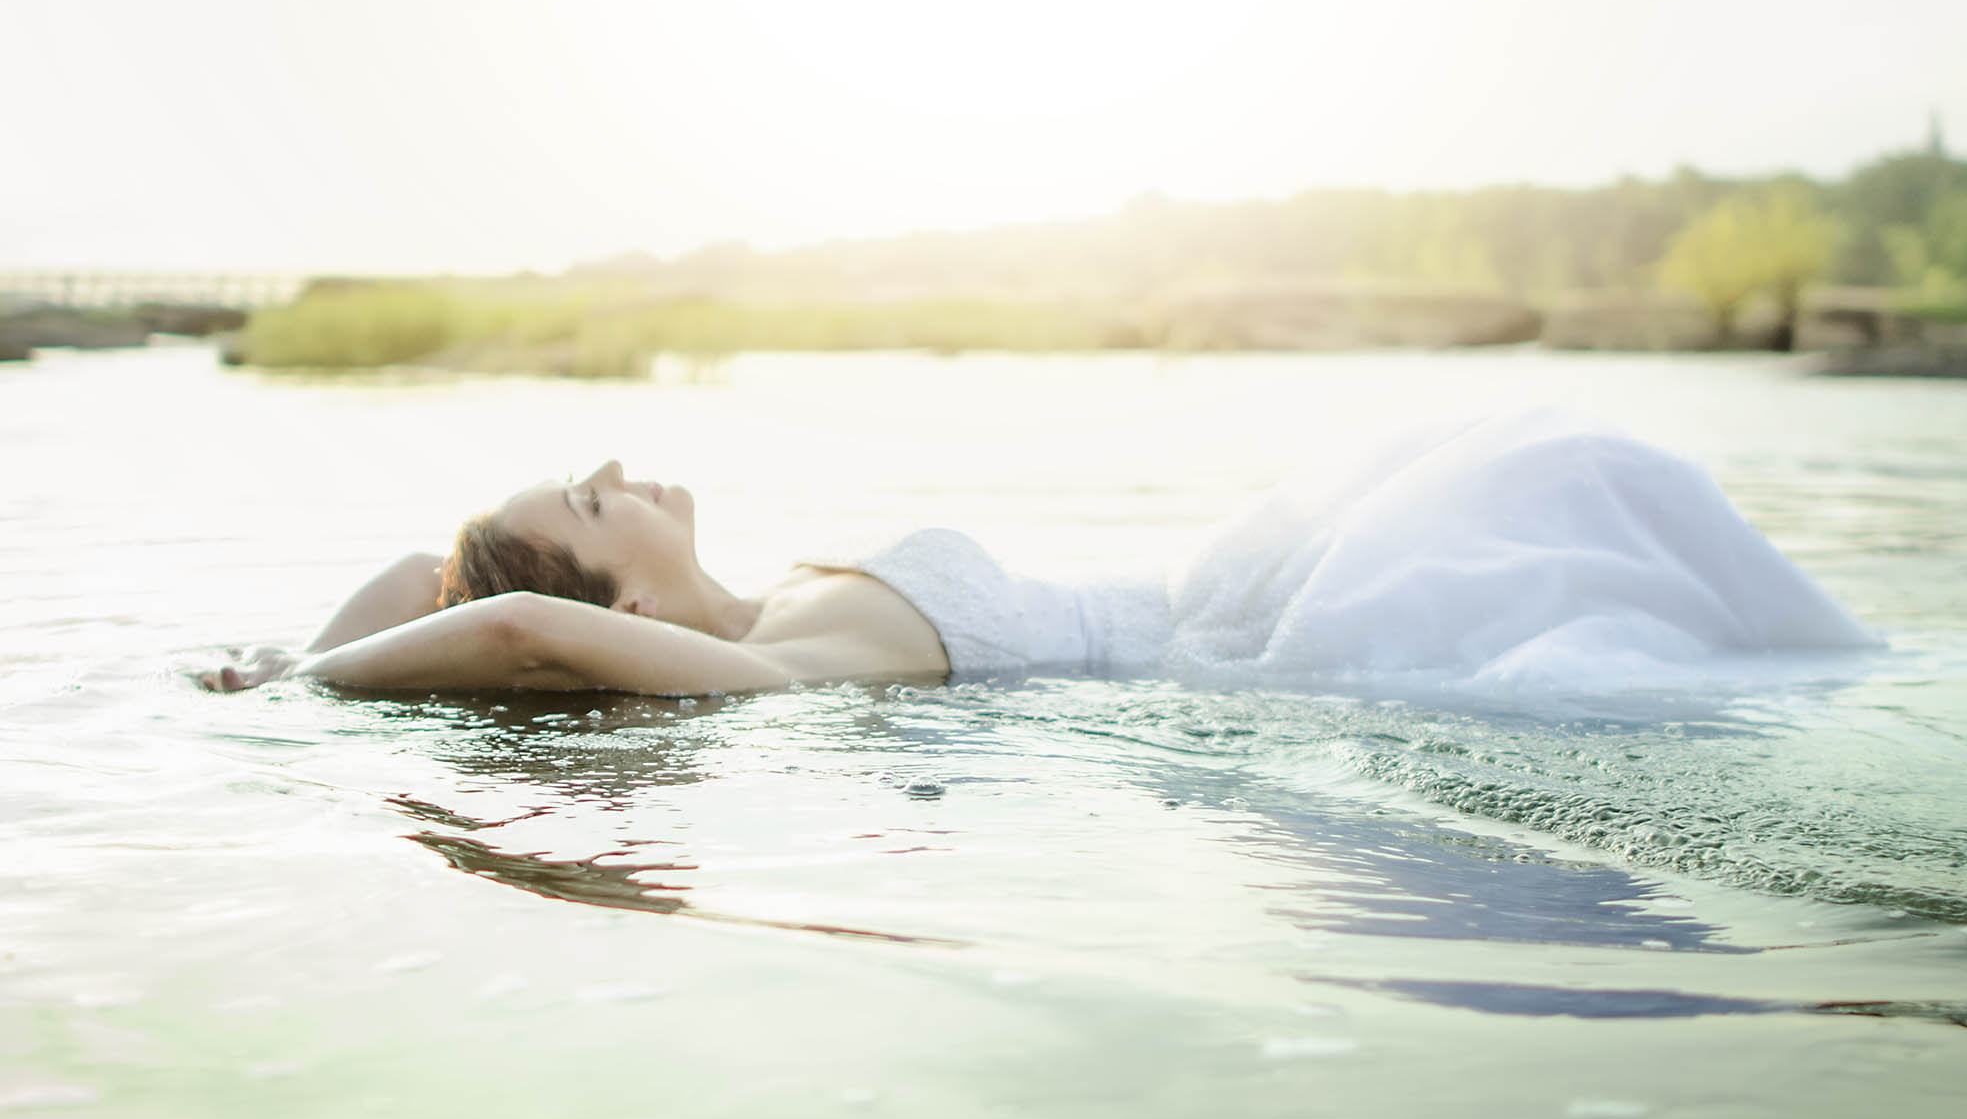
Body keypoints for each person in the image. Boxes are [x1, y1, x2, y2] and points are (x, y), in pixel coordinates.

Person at [197, 413, 1881, 698]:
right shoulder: (775, 662)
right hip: (1269, 656)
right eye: (589, 493)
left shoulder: (784, 598)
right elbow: (501, 639)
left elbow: (425, 591)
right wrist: (302, 692)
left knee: (1572, 474)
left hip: (1248, 594)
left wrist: (295, 658)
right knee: (1580, 479)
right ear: (624, 604)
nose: (620, 468)